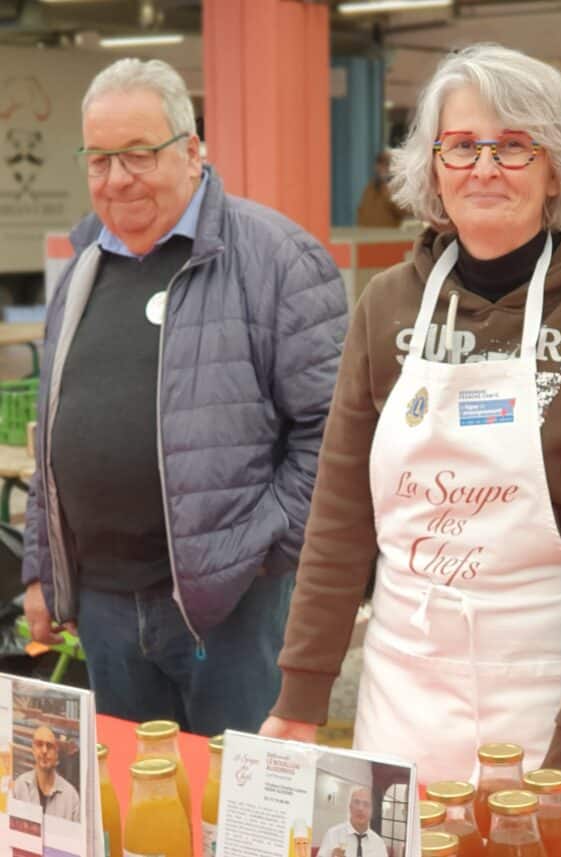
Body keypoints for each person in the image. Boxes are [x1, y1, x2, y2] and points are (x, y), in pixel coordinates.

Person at [260, 44, 561, 827]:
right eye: (461, 145)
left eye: (514, 144)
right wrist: (302, 691)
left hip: (557, 693)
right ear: (434, 167)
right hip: (407, 690)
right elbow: (341, 518)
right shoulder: (387, 304)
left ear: (555, 168)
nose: (485, 166)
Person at [20, 57, 346, 736]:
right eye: (100, 159)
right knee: (139, 811)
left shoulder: (278, 259)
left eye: (138, 154)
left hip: (230, 608)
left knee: (243, 818)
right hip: (106, 607)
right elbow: (50, 436)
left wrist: (261, 547)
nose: (117, 179)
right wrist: (41, 573)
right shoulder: (84, 265)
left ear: (192, 150)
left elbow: (333, 431)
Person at [11, 726, 80, 822]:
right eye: (39, 744)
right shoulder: (19, 787)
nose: (44, 751)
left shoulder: (72, 798)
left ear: (56, 753)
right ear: (33, 750)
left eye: (49, 746)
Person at [318, 787, 387, 857]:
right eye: (356, 802)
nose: (360, 808)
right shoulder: (333, 835)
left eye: (366, 804)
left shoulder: (379, 843)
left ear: (372, 811)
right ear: (350, 807)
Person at [356, 151, 405, 228]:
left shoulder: (398, 188)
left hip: (388, 237)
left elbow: (404, 212)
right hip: (366, 236)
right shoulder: (370, 188)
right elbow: (362, 212)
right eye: (380, 163)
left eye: (387, 164)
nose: (382, 167)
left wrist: (388, 193)